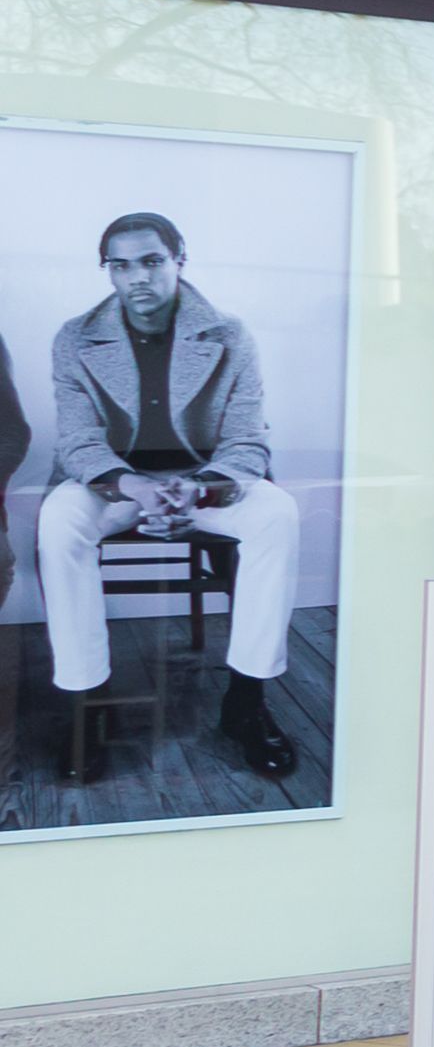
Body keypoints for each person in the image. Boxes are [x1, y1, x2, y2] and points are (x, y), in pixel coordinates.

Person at [40, 212, 306, 781]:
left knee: (278, 513)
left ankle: (247, 701)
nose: (138, 276)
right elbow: (78, 441)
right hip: (116, 482)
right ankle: (89, 705)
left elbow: (246, 440)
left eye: (153, 260)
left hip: (204, 480)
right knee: (59, 519)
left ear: (179, 260)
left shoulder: (229, 335)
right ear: (107, 272)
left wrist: (200, 491)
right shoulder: (75, 337)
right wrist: (132, 484)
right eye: (121, 264)